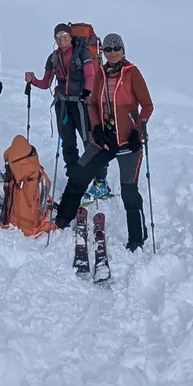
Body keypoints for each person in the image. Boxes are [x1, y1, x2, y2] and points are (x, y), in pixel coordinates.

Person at [52, 32, 153, 252]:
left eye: (117, 48)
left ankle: (137, 239)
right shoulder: (101, 74)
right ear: (104, 52)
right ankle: (61, 221)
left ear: (123, 50)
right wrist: (96, 128)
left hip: (128, 142)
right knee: (78, 176)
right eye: (108, 49)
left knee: (129, 193)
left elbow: (147, 105)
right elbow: (93, 105)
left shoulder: (132, 73)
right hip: (105, 139)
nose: (113, 53)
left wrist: (138, 129)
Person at [25, 23, 95, 177]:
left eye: (65, 35)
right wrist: (33, 80)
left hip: (80, 104)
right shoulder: (53, 58)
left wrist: (87, 93)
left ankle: (98, 178)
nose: (62, 39)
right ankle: (73, 174)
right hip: (63, 104)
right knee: (68, 142)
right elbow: (46, 83)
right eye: (58, 36)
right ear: (55, 39)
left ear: (71, 36)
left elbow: (90, 75)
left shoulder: (83, 53)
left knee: (88, 141)